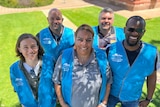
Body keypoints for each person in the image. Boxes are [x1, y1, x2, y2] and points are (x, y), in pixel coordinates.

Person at [52, 24, 112, 107]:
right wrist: (62, 103)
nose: (84, 44)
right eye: (80, 39)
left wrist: (104, 102)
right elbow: (57, 81)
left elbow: (108, 81)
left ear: (93, 40)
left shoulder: (101, 57)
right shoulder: (65, 57)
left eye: (88, 40)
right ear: (75, 39)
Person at [107, 16, 159, 107]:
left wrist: (148, 99)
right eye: (131, 29)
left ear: (144, 32)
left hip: (132, 98)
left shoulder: (151, 53)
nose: (134, 33)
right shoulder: (111, 49)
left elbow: (152, 76)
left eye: (139, 30)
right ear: (124, 30)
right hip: (110, 94)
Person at [10, 33, 56, 107]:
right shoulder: (14, 69)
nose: (30, 50)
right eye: (25, 47)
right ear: (19, 49)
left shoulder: (49, 62)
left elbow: (57, 83)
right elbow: (18, 89)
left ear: (38, 46)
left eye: (33, 46)